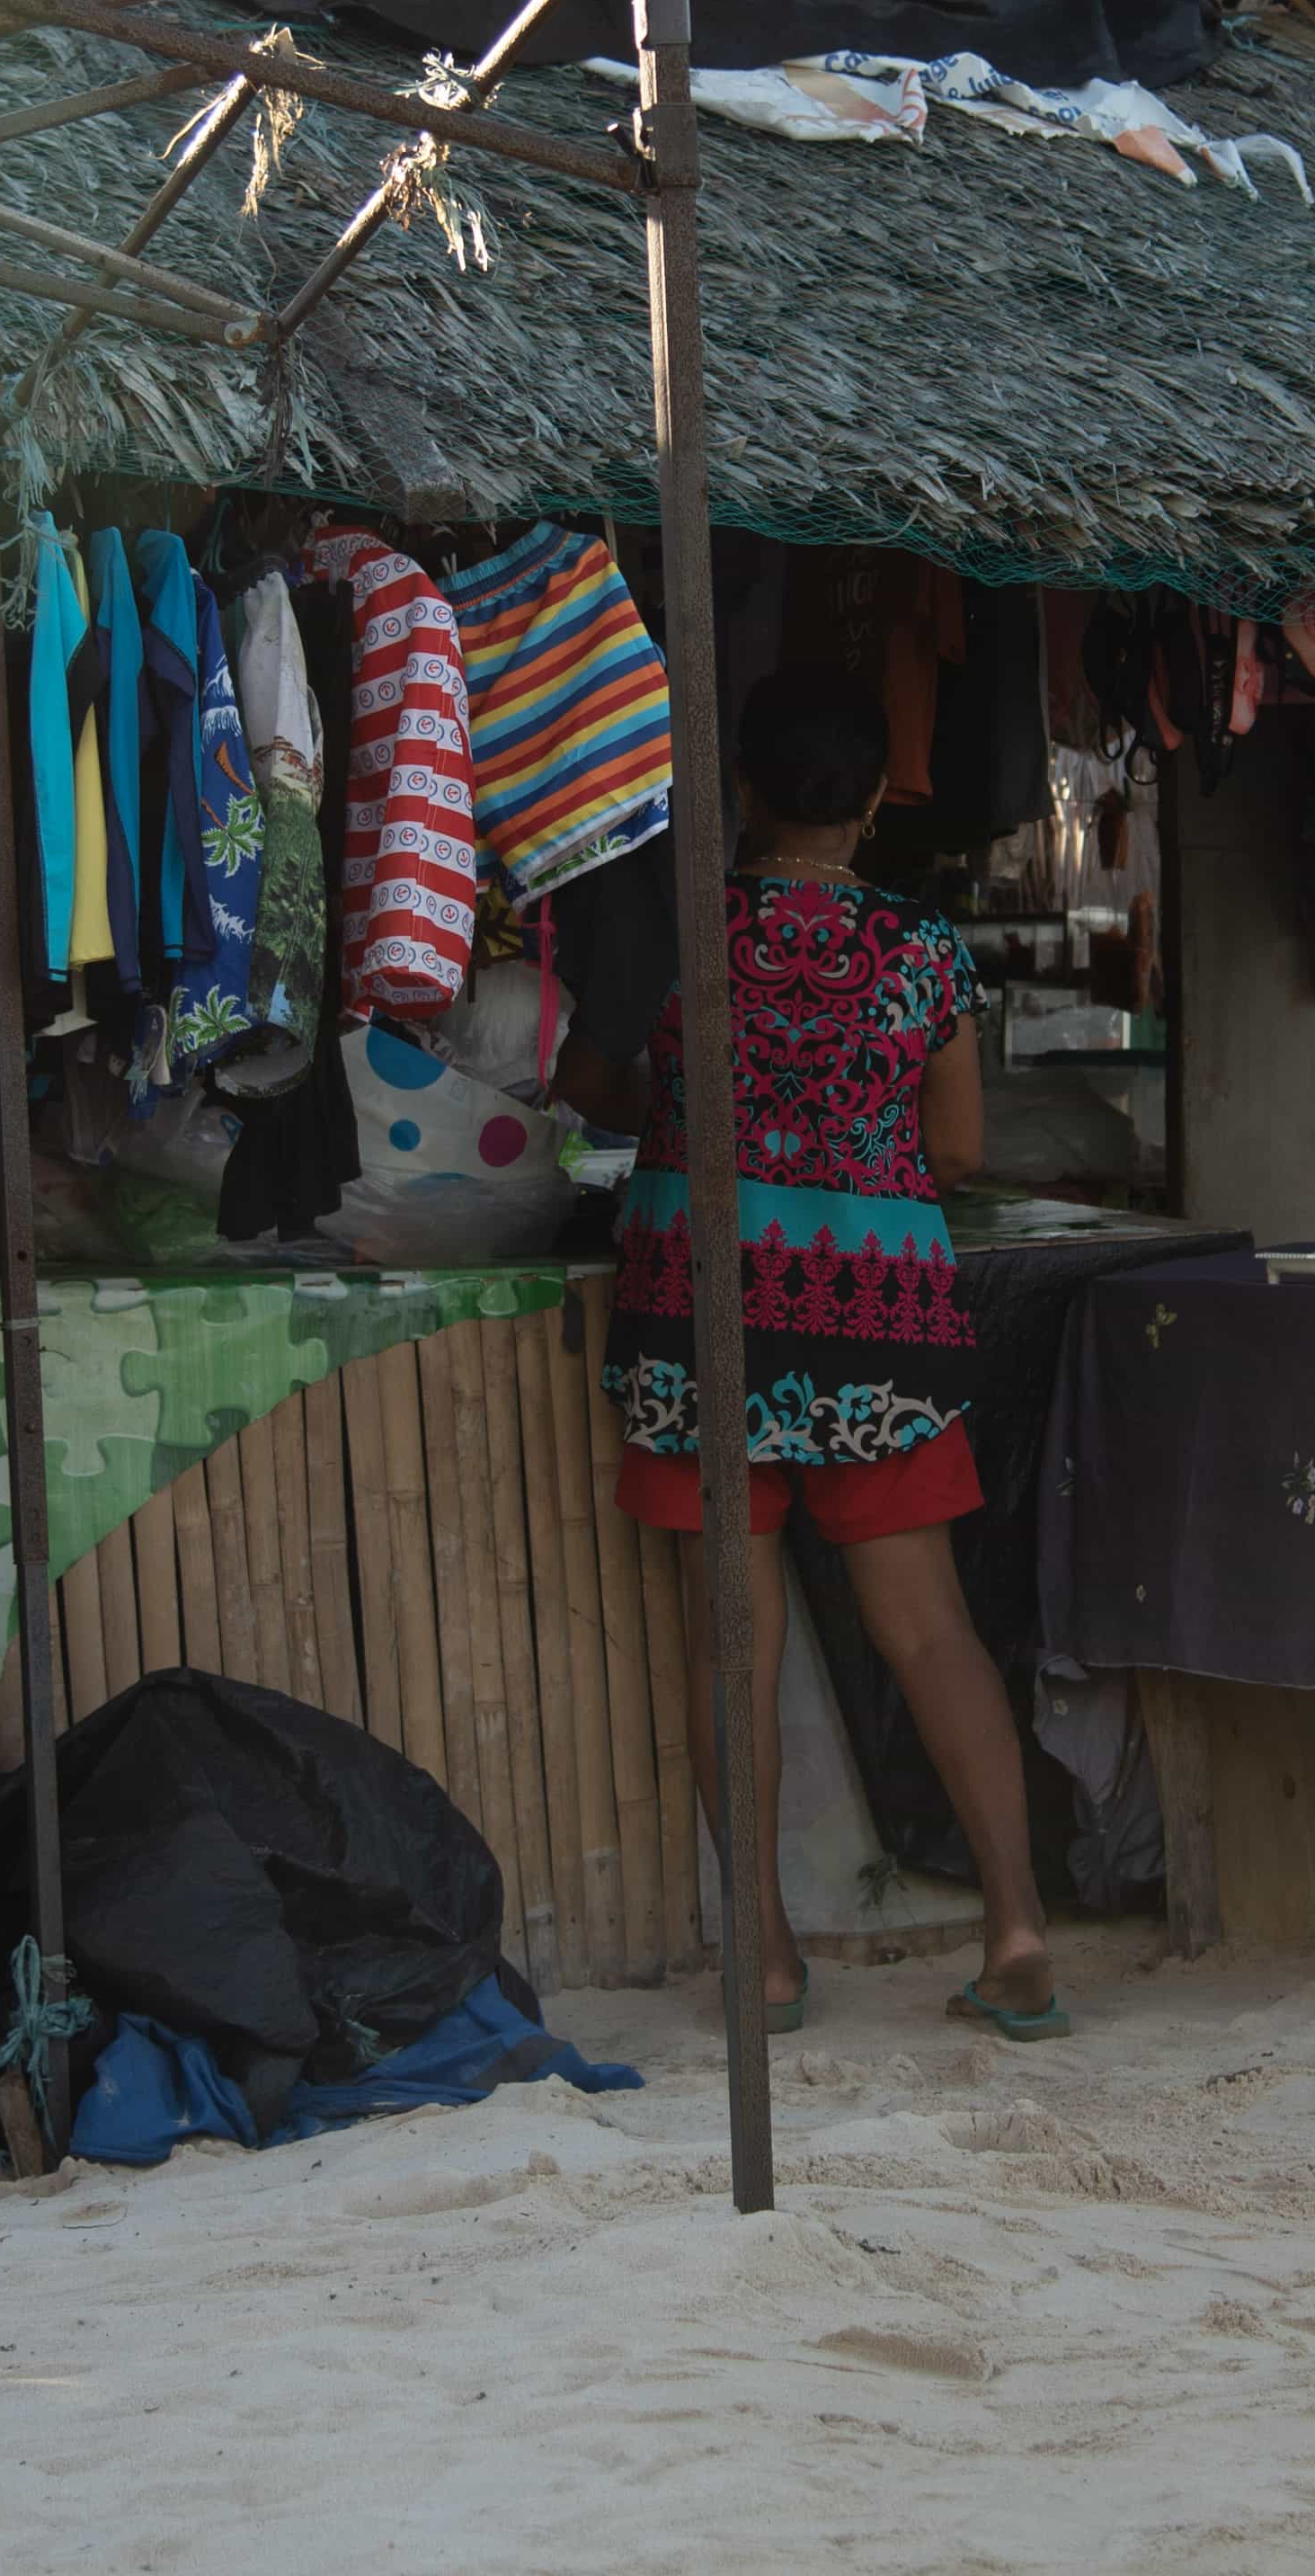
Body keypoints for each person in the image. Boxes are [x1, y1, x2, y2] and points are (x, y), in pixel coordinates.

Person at [556, 665, 1066, 2041]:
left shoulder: (675, 939)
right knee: (928, 1627)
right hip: (873, 1327)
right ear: (876, 805)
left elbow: (591, 1089)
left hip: (702, 1324)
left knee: (738, 1637)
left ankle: (767, 1960)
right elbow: (958, 1151)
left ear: (743, 794)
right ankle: (1017, 1926)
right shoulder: (918, 949)